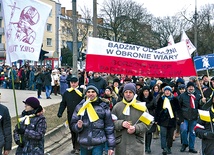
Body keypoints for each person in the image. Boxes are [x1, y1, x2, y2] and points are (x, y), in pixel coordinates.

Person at [71, 85, 115, 155]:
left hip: (98, 143)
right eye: (88, 92)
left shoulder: (103, 107)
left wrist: (111, 146)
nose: (90, 94)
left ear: (96, 93)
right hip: (84, 143)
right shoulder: (80, 106)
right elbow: (73, 124)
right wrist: (78, 126)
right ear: (86, 94)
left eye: (93, 92)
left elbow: (109, 127)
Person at [111, 83, 151, 155]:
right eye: (126, 92)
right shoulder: (117, 106)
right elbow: (111, 123)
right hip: (121, 144)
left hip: (137, 143)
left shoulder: (141, 107)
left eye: (130, 92)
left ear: (134, 93)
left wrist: (136, 128)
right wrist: (121, 123)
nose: (128, 94)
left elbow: (148, 123)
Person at [57, 76, 83, 154]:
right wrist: (60, 112)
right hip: (71, 114)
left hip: (80, 115)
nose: (73, 84)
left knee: (79, 131)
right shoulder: (66, 93)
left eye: (75, 83)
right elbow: (63, 103)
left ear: (77, 83)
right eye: (72, 83)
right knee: (72, 131)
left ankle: (78, 147)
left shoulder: (81, 91)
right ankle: (74, 146)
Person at [155, 86, 183, 155]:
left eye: (168, 91)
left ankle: (169, 147)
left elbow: (178, 109)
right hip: (162, 120)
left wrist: (181, 119)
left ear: (170, 91)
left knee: (170, 135)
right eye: (166, 91)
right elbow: (157, 110)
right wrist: (156, 119)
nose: (167, 92)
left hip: (172, 120)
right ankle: (164, 148)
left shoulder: (174, 99)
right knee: (163, 134)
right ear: (164, 92)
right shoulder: (161, 99)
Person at [179, 82, 202, 153]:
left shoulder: (198, 96)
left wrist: (203, 101)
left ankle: (191, 147)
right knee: (184, 130)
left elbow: (201, 107)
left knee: (192, 133)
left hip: (194, 118)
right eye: (189, 87)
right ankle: (185, 143)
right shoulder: (182, 96)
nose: (191, 88)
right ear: (187, 88)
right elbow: (179, 107)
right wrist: (179, 117)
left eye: (192, 87)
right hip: (184, 117)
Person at [138, 86, 156, 154]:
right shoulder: (139, 98)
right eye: (144, 91)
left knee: (149, 132)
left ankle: (148, 146)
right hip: (141, 116)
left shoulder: (152, 99)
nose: (146, 93)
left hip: (149, 116)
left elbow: (155, 107)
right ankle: (143, 146)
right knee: (142, 132)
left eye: (147, 91)